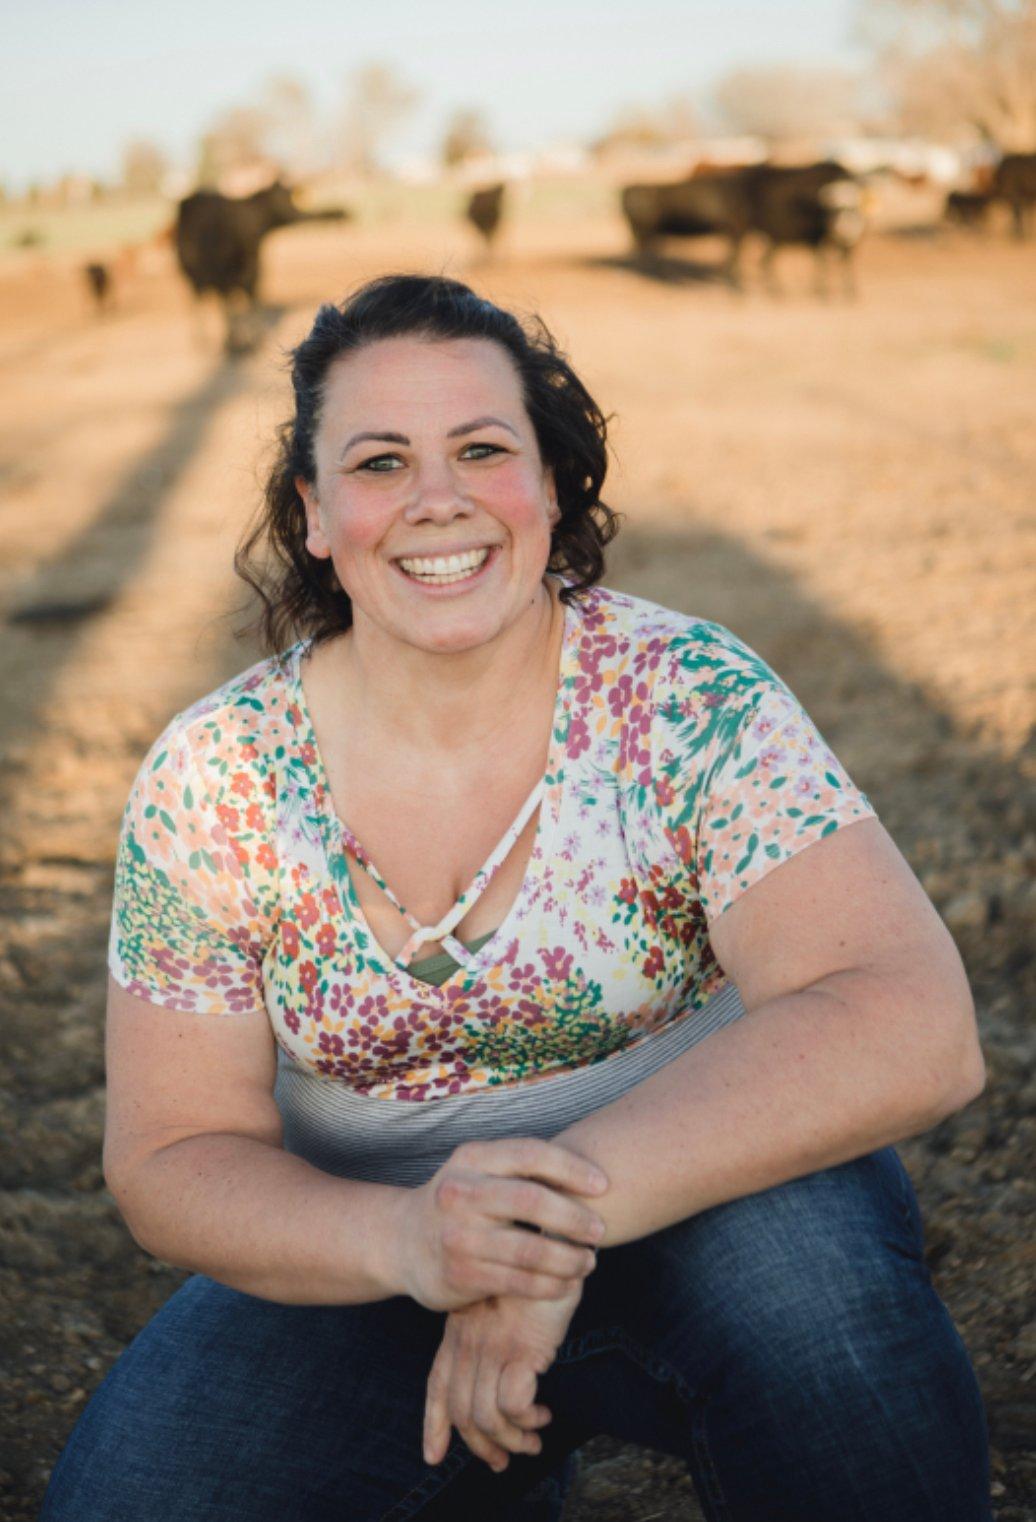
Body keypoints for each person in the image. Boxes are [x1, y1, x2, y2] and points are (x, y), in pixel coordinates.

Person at [41, 274, 992, 1522]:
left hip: (727, 1187)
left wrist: (535, 1224)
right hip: (376, 1245)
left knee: (841, 1357)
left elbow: (911, 1023)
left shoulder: (684, 693)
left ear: (549, 485)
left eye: (482, 448)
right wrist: (420, 1245)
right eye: (379, 461)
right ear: (314, 514)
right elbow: (171, 1156)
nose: (437, 497)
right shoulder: (214, 776)